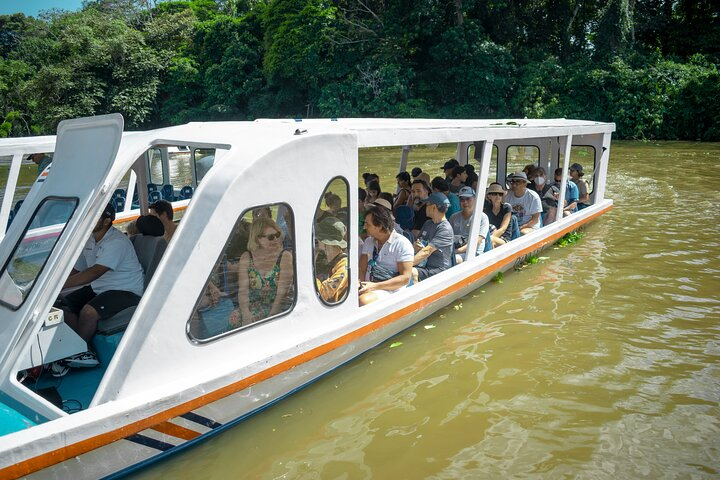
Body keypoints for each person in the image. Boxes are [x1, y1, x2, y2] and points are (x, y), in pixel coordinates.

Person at [55, 203, 144, 369]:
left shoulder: (116, 241)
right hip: (100, 287)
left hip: (126, 290)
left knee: (89, 312)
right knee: (62, 304)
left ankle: (78, 352)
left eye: (95, 216)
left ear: (106, 221)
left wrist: (58, 286)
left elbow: (94, 272)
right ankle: (81, 346)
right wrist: (54, 282)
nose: (89, 220)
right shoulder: (90, 239)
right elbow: (77, 270)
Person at [234, 217, 293, 325]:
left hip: (278, 306)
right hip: (254, 304)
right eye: (271, 237)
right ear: (257, 239)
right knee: (235, 317)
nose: (276, 239)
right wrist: (245, 312)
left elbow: (282, 294)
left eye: (277, 235)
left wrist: (271, 316)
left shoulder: (284, 257)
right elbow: (243, 291)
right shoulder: (247, 257)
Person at [359, 206, 414, 305]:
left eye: (367, 224)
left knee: (363, 301)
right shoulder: (368, 241)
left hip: (391, 289)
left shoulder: (402, 244)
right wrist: (361, 286)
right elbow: (362, 269)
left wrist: (374, 286)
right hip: (368, 286)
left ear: (379, 226)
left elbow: (405, 278)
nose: (364, 227)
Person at [412, 193, 454, 282]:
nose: (425, 207)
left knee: (411, 272)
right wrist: (415, 246)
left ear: (434, 207)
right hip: (424, 265)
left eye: (427, 205)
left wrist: (406, 265)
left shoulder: (445, 229)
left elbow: (426, 251)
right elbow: (417, 243)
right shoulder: (428, 223)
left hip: (439, 270)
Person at [449, 186, 488, 263]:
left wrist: (457, 251)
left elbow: (478, 241)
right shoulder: (453, 217)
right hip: (455, 249)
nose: (465, 202)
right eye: (462, 199)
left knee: (455, 259)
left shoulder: (482, 217)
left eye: (468, 199)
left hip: (474, 253)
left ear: (475, 199)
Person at [315, 217, 349, 304]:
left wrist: (310, 274)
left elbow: (324, 294)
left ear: (325, 242)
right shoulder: (322, 258)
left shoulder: (344, 266)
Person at [484, 182, 513, 247]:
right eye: (494, 194)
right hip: (490, 235)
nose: (498, 196)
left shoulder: (507, 207)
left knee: (492, 240)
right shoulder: (486, 210)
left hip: (504, 239)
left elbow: (503, 229)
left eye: (500, 194)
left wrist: (488, 239)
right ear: (489, 196)